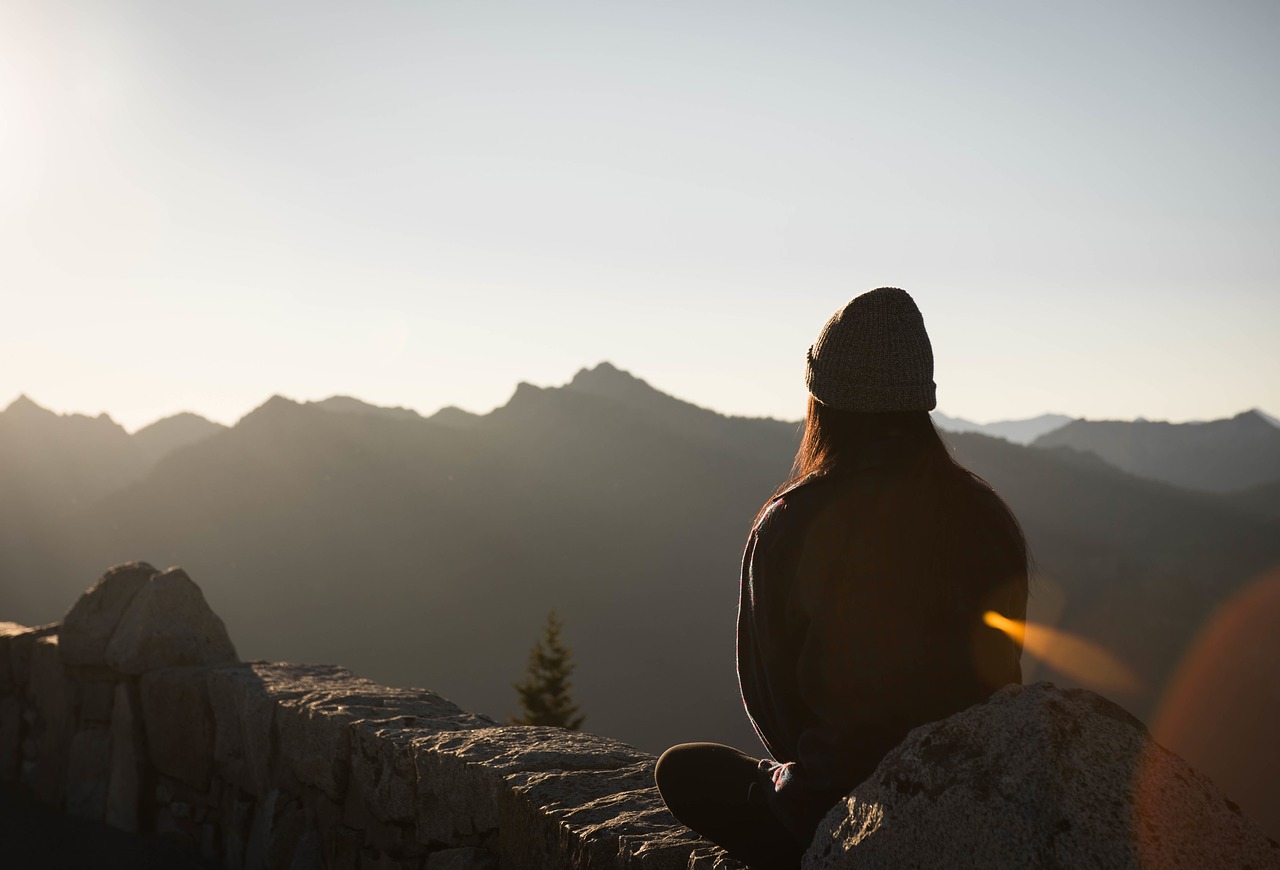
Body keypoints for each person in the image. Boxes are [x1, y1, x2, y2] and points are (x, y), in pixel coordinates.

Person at [654, 287, 1029, 868]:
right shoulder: (985, 516)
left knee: (684, 769)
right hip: (972, 790)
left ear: (822, 401)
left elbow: (771, 700)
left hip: (837, 807)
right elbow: (1003, 675)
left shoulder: (790, 522)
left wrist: (810, 775)